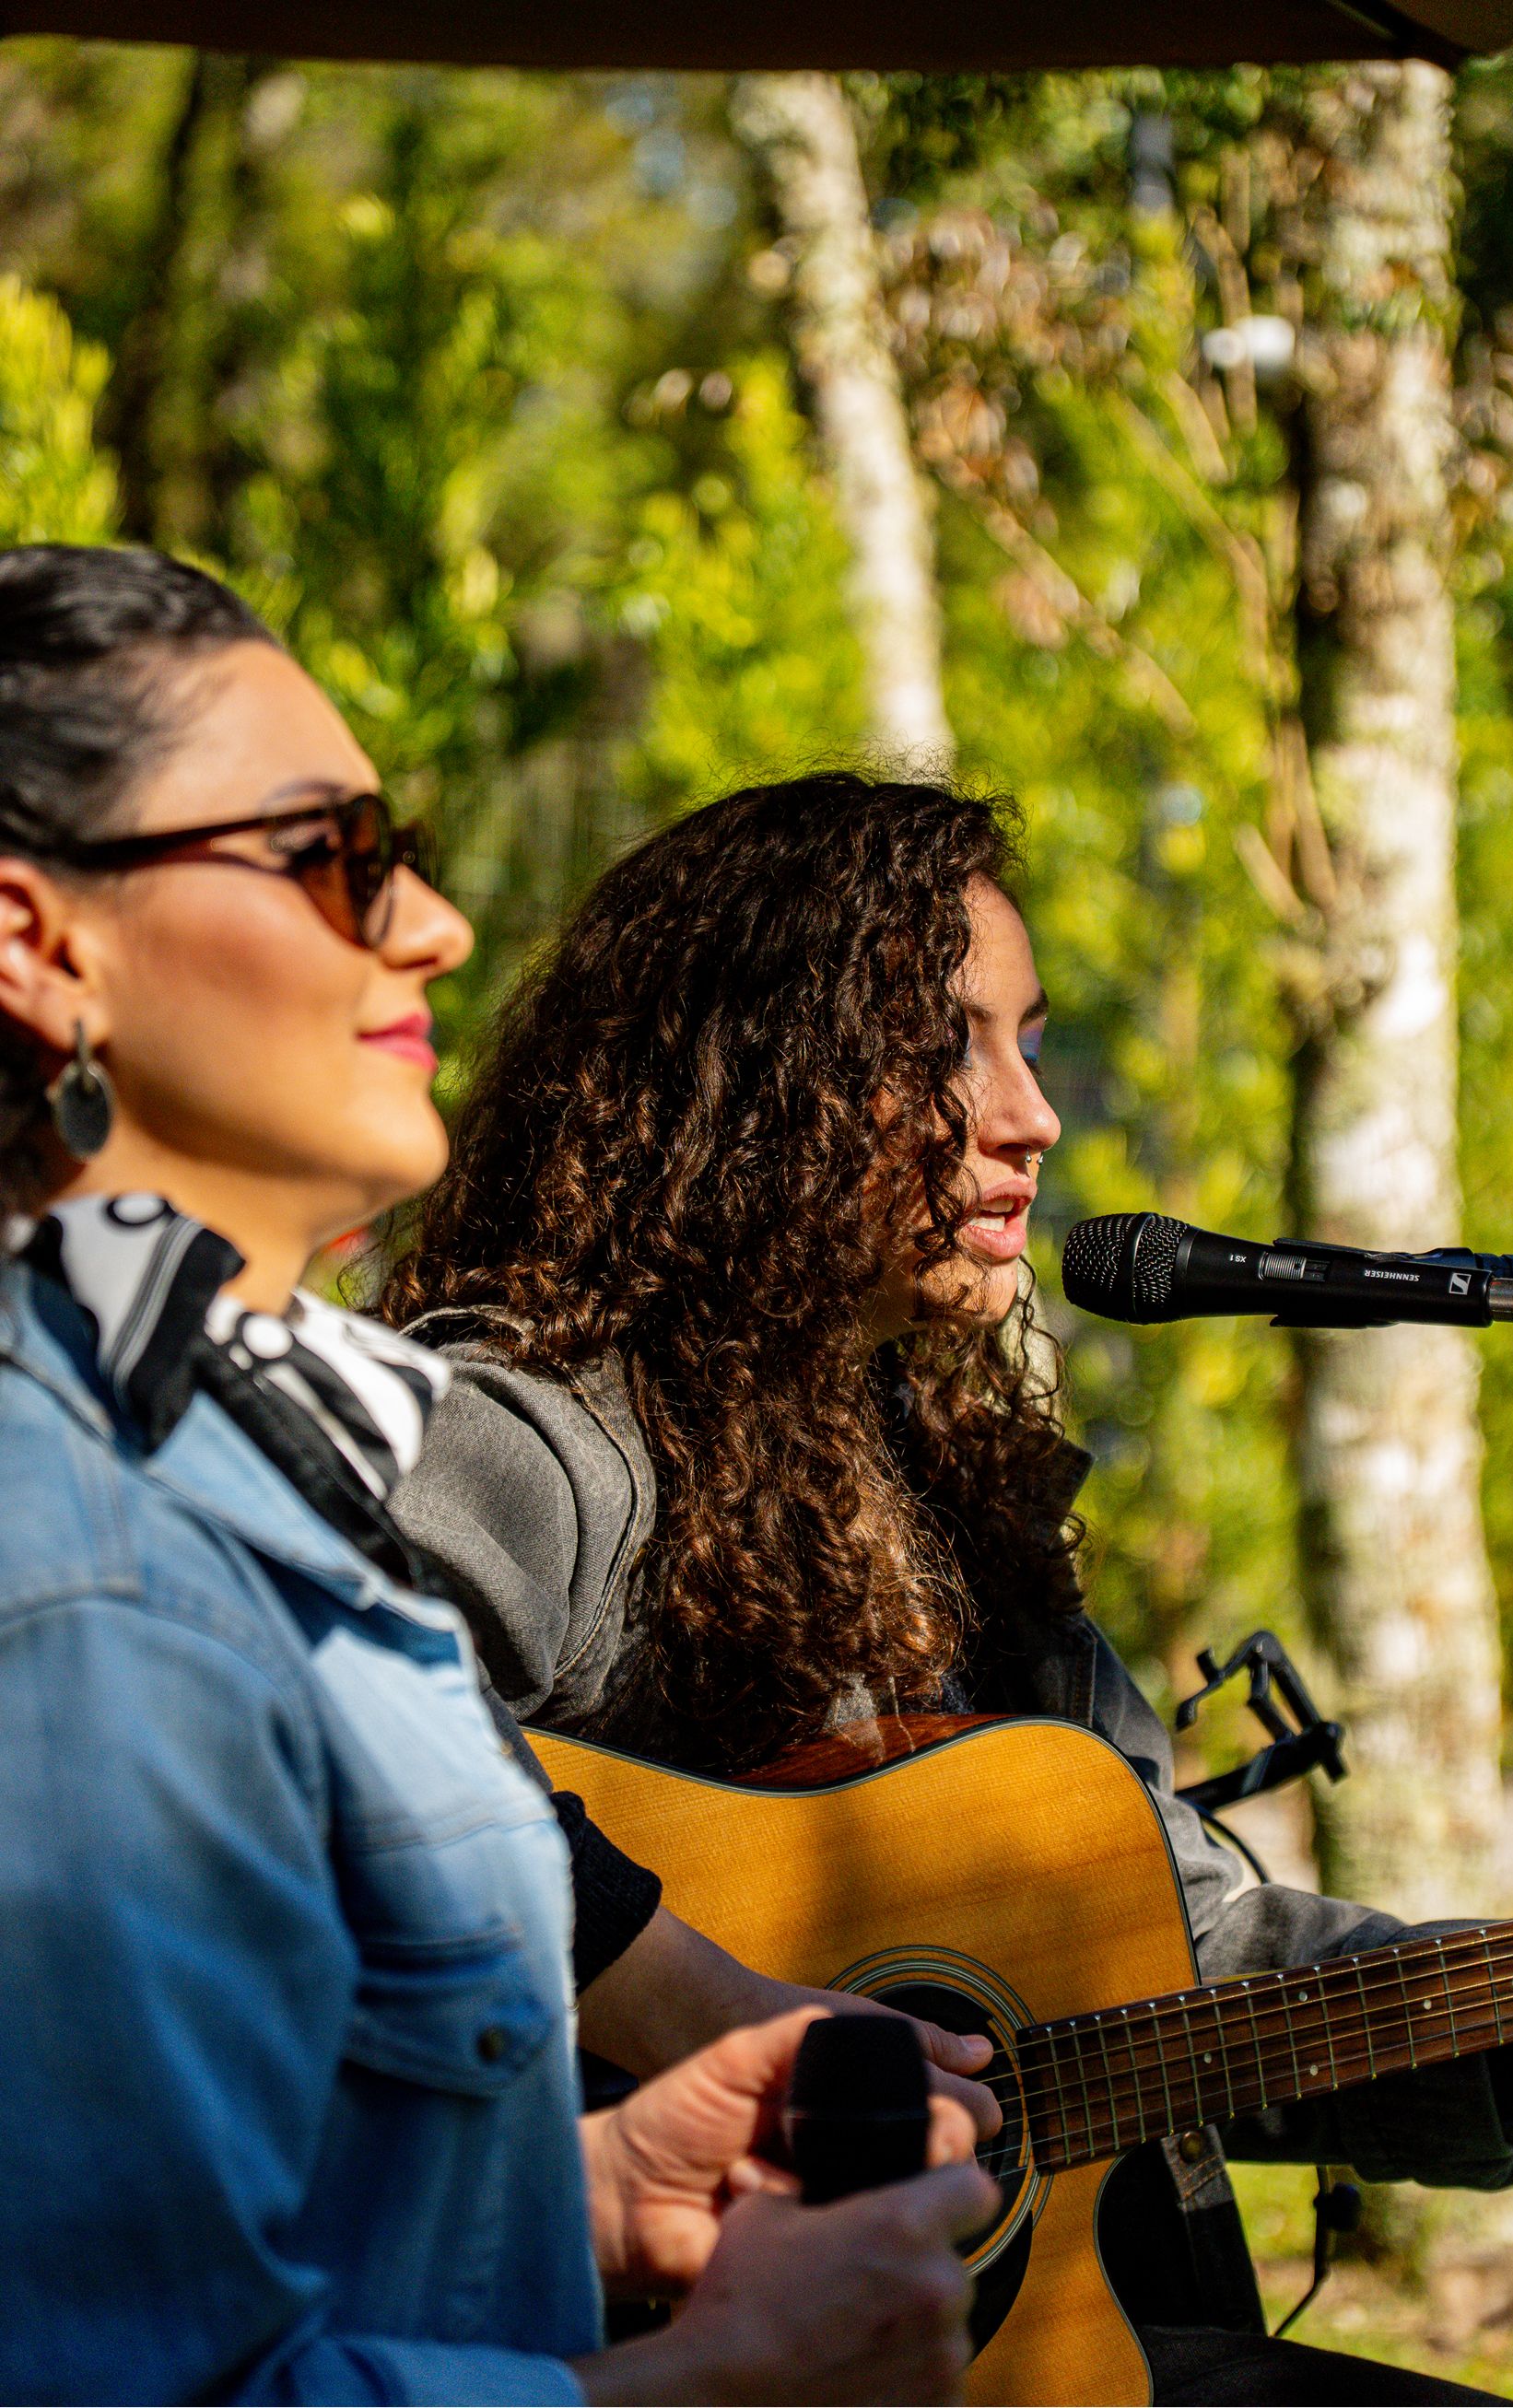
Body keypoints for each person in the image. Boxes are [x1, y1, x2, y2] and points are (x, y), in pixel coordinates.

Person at [385, 771, 1513, 2408]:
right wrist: (698, 2017)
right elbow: (319, 1730)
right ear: (753, 1083)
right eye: (947, 1046)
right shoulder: (533, 1433)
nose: (1026, 1113)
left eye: (1027, 1041)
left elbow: (1188, 1945)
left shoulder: (956, 1489)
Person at [0, 547, 996, 2407]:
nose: (439, 924)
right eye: (333, 853)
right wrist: (720, 2385)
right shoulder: (71, 1577)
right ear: (43, 940)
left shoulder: (221, 1452)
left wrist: (591, 2190)